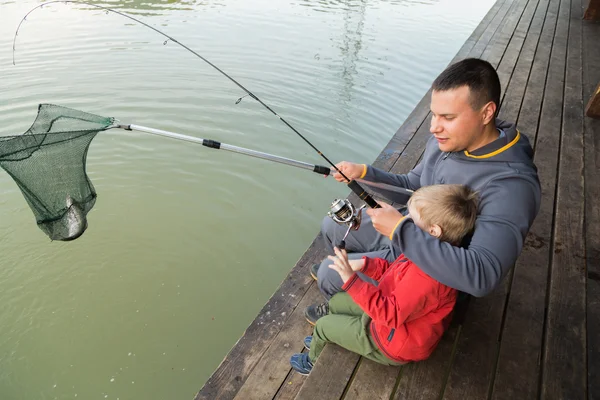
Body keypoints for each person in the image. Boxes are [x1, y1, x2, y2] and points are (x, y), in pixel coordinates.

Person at [305, 57, 541, 324]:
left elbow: (482, 275)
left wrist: (399, 231)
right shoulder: (450, 139)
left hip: (427, 269)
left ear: (486, 113)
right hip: (410, 226)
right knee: (331, 225)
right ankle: (351, 282)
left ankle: (351, 312)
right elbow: (413, 187)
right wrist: (363, 173)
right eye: (434, 114)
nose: (433, 127)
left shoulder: (512, 187)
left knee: (328, 271)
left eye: (447, 117)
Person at [290, 184, 479, 375]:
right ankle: (326, 336)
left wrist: (351, 280)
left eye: (411, 220)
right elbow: (393, 271)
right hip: (392, 313)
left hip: (394, 341)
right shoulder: (427, 252)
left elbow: (390, 314)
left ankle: (311, 360)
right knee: (338, 301)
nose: (404, 221)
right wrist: (365, 264)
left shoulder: (429, 278)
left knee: (323, 326)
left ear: (433, 231)